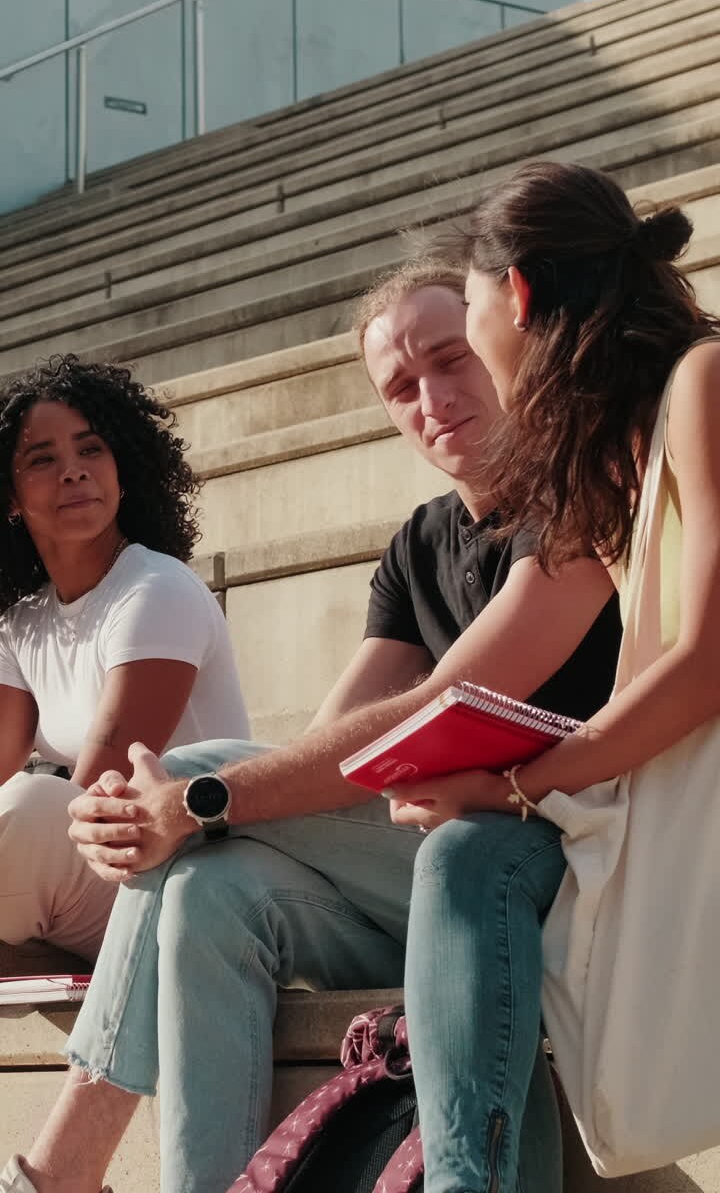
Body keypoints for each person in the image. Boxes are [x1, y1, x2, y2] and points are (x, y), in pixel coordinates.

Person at [0, 260, 622, 1193]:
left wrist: (195, 795)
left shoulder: (574, 503)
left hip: (543, 858)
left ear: (504, 347)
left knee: (204, 778)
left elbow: (440, 705)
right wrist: (189, 815)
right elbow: (319, 752)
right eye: (401, 387)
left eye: (451, 360)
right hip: (419, 869)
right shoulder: (417, 547)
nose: (432, 399)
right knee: (209, 889)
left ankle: (64, 1165)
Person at [383, 161, 720, 1193]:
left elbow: (707, 659)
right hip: (671, 798)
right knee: (469, 857)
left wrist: (526, 780)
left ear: (515, 294)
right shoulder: (613, 447)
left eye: (470, 308)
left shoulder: (702, 382)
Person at [0, 354, 249, 962]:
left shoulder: (155, 589)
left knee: (32, 807)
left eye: (91, 451)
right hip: (94, 876)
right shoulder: (19, 622)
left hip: (187, 870)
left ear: (122, 466)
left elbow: (101, 794)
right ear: (8, 496)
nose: (74, 473)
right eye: (43, 459)